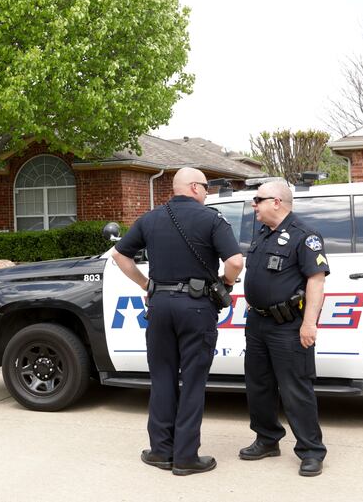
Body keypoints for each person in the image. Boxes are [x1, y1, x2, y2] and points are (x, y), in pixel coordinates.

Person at [111, 167, 243, 476]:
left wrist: (146, 285)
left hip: (159, 306)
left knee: (162, 378)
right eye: (206, 186)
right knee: (193, 381)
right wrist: (226, 283)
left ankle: (160, 451)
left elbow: (119, 255)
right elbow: (236, 262)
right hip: (196, 308)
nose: (208, 192)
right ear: (194, 187)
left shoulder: (150, 218)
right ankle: (185, 457)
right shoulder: (211, 219)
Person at [239, 180, 328, 477]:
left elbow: (316, 281)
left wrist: (309, 323)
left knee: (295, 388)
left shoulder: (305, 236)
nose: (254, 205)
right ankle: (266, 439)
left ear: (276, 201)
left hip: (288, 325)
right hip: (258, 323)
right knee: (258, 385)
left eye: (258, 200)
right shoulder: (263, 233)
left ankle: (311, 451)